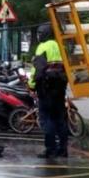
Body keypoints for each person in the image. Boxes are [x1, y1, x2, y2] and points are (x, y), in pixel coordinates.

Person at [28, 23, 69, 159]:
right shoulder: (60, 46)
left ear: (45, 34)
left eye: (40, 33)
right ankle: (63, 150)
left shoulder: (42, 47)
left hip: (46, 89)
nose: (39, 36)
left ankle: (50, 149)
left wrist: (31, 84)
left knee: (47, 119)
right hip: (60, 87)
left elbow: (38, 70)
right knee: (60, 119)